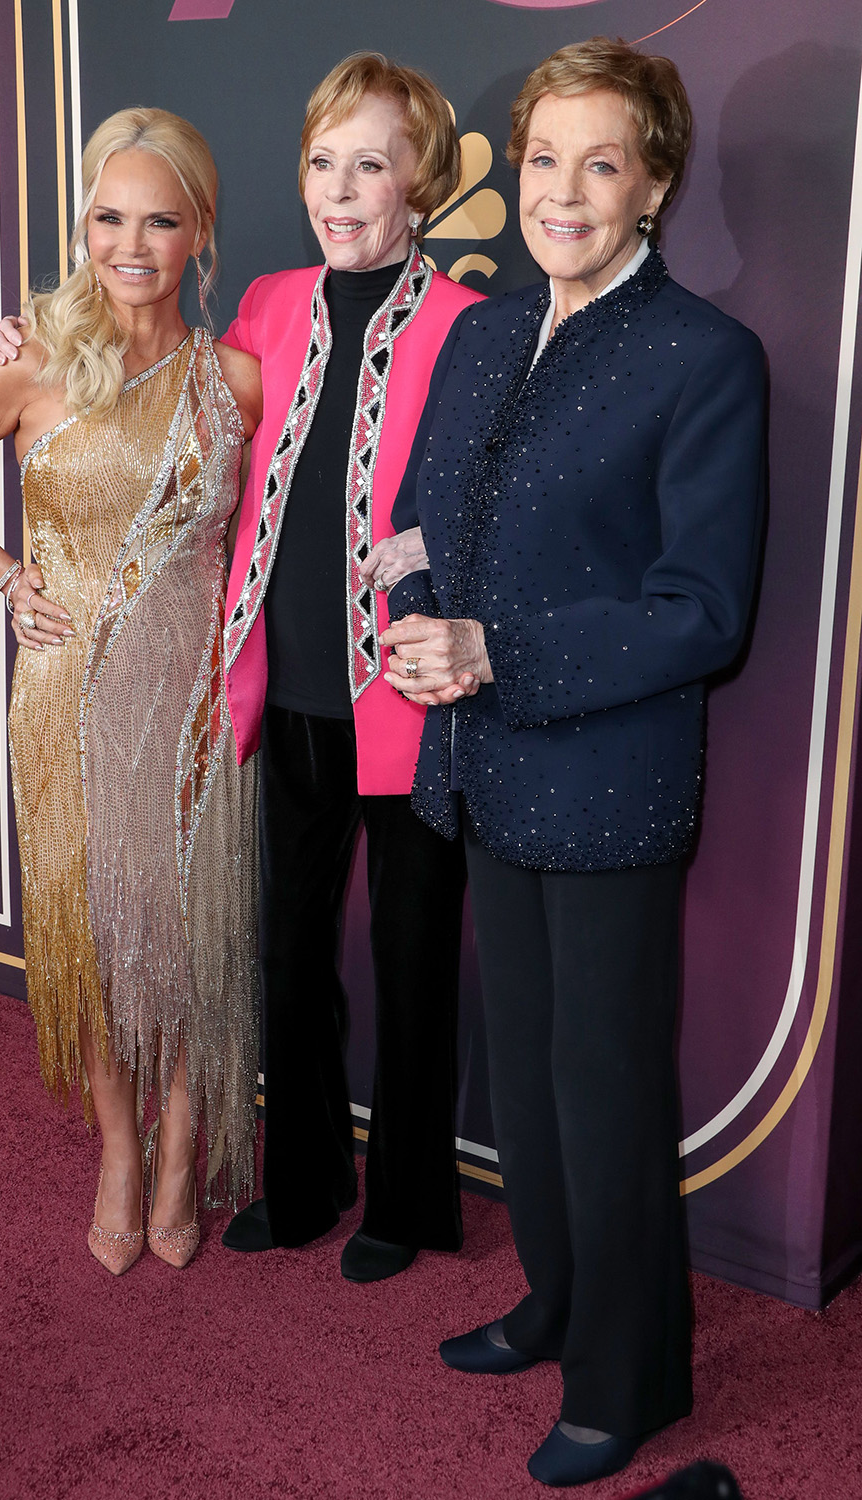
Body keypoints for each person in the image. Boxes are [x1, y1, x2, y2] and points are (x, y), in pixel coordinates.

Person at [0, 53, 483, 1284]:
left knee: (416, 952)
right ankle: (302, 1182)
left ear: (421, 180)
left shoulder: (476, 325)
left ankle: (406, 1206)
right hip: (269, 685)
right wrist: (23, 337)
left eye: (370, 163)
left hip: (405, 695)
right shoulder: (263, 303)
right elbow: (150, 398)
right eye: (323, 161)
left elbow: (468, 501)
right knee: (282, 952)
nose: (341, 187)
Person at [372, 37, 766, 1487]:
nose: (565, 190)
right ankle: (554, 1302)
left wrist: (495, 653)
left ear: (654, 182)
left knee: (602, 1088)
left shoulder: (707, 358)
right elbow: (414, 509)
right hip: (479, 765)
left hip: (607, 781)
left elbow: (702, 612)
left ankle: (631, 1376)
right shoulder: (479, 329)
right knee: (526, 1081)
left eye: (603, 162)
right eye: (545, 158)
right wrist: (412, 616)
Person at [0, 108, 263, 1276]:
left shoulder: (242, 379)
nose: (131, 244)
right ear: (82, 226)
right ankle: (116, 1145)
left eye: (159, 220)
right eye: (108, 218)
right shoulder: (33, 360)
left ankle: (183, 1144)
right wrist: (7, 577)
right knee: (93, 938)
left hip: (201, 697)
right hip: (66, 696)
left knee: (195, 936)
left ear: (201, 230)